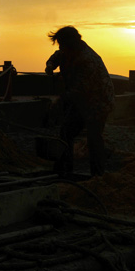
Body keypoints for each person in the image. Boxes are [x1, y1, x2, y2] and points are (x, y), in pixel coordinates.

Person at [45, 26, 116, 176]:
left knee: (94, 137)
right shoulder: (66, 51)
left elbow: (79, 90)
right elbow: (56, 56)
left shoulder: (87, 60)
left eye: (62, 44)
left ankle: (97, 176)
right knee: (66, 132)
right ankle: (64, 170)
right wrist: (50, 65)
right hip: (80, 100)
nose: (60, 47)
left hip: (98, 101)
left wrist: (58, 102)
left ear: (70, 43)